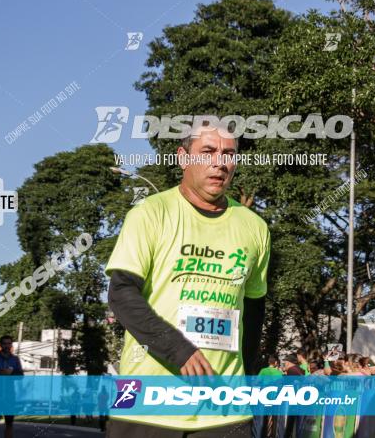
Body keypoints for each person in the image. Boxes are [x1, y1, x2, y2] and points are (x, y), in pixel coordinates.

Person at [105, 122, 270, 437]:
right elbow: (122, 294)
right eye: (207, 152)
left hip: (224, 412)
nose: (219, 162)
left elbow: (254, 310)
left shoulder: (254, 227)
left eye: (228, 154)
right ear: (183, 158)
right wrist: (178, 349)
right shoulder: (150, 213)